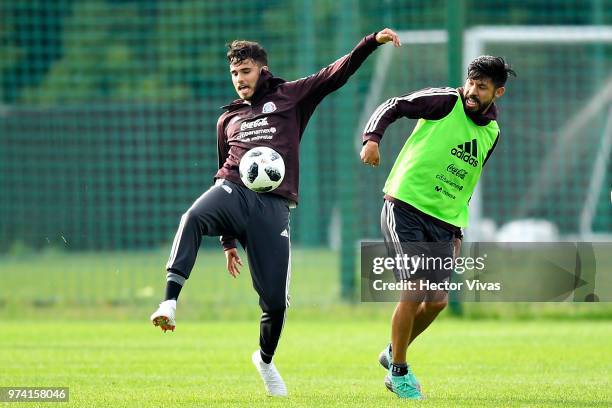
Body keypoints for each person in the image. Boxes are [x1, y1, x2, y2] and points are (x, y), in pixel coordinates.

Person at [150, 28, 401, 397]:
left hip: (273, 207)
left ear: (262, 70)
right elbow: (222, 165)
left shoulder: (290, 96)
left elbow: (337, 72)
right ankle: (169, 301)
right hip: (233, 190)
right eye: (234, 74)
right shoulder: (228, 119)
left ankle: (265, 360)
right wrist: (228, 241)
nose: (239, 80)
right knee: (192, 217)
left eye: (246, 71)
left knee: (275, 305)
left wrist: (370, 42)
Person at [360, 56, 515, 399]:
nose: (473, 91)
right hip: (405, 206)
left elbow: (468, 182)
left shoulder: (492, 132)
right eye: (472, 83)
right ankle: (398, 372)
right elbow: (394, 105)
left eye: (483, 87)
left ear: (498, 92)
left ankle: (392, 352)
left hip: (445, 222)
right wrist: (372, 138)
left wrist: (457, 232)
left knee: (437, 302)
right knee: (414, 289)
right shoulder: (446, 101)